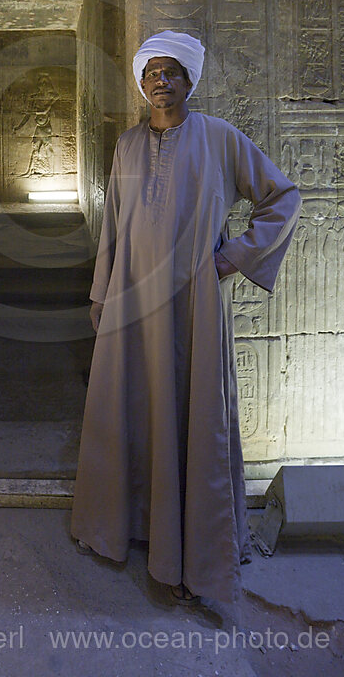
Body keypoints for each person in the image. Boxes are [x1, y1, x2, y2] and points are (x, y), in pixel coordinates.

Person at [71, 31, 301, 607]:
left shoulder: (220, 138)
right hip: (130, 301)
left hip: (193, 304)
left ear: (189, 80)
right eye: (151, 72)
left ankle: (193, 553)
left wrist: (233, 257)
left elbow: (283, 197)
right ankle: (132, 530)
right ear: (141, 82)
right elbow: (115, 227)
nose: (160, 81)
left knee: (191, 417)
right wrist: (101, 292)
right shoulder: (125, 146)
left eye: (172, 72)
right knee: (132, 411)